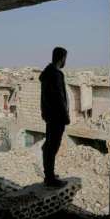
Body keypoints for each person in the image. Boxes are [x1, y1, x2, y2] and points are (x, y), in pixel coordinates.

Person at [39, 47, 70, 188]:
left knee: (50, 145)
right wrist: (65, 116)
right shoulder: (56, 75)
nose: (65, 61)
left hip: (50, 116)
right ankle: (50, 178)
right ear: (61, 58)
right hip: (57, 117)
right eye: (65, 58)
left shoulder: (47, 73)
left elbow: (46, 97)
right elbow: (59, 98)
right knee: (52, 146)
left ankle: (49, 174)